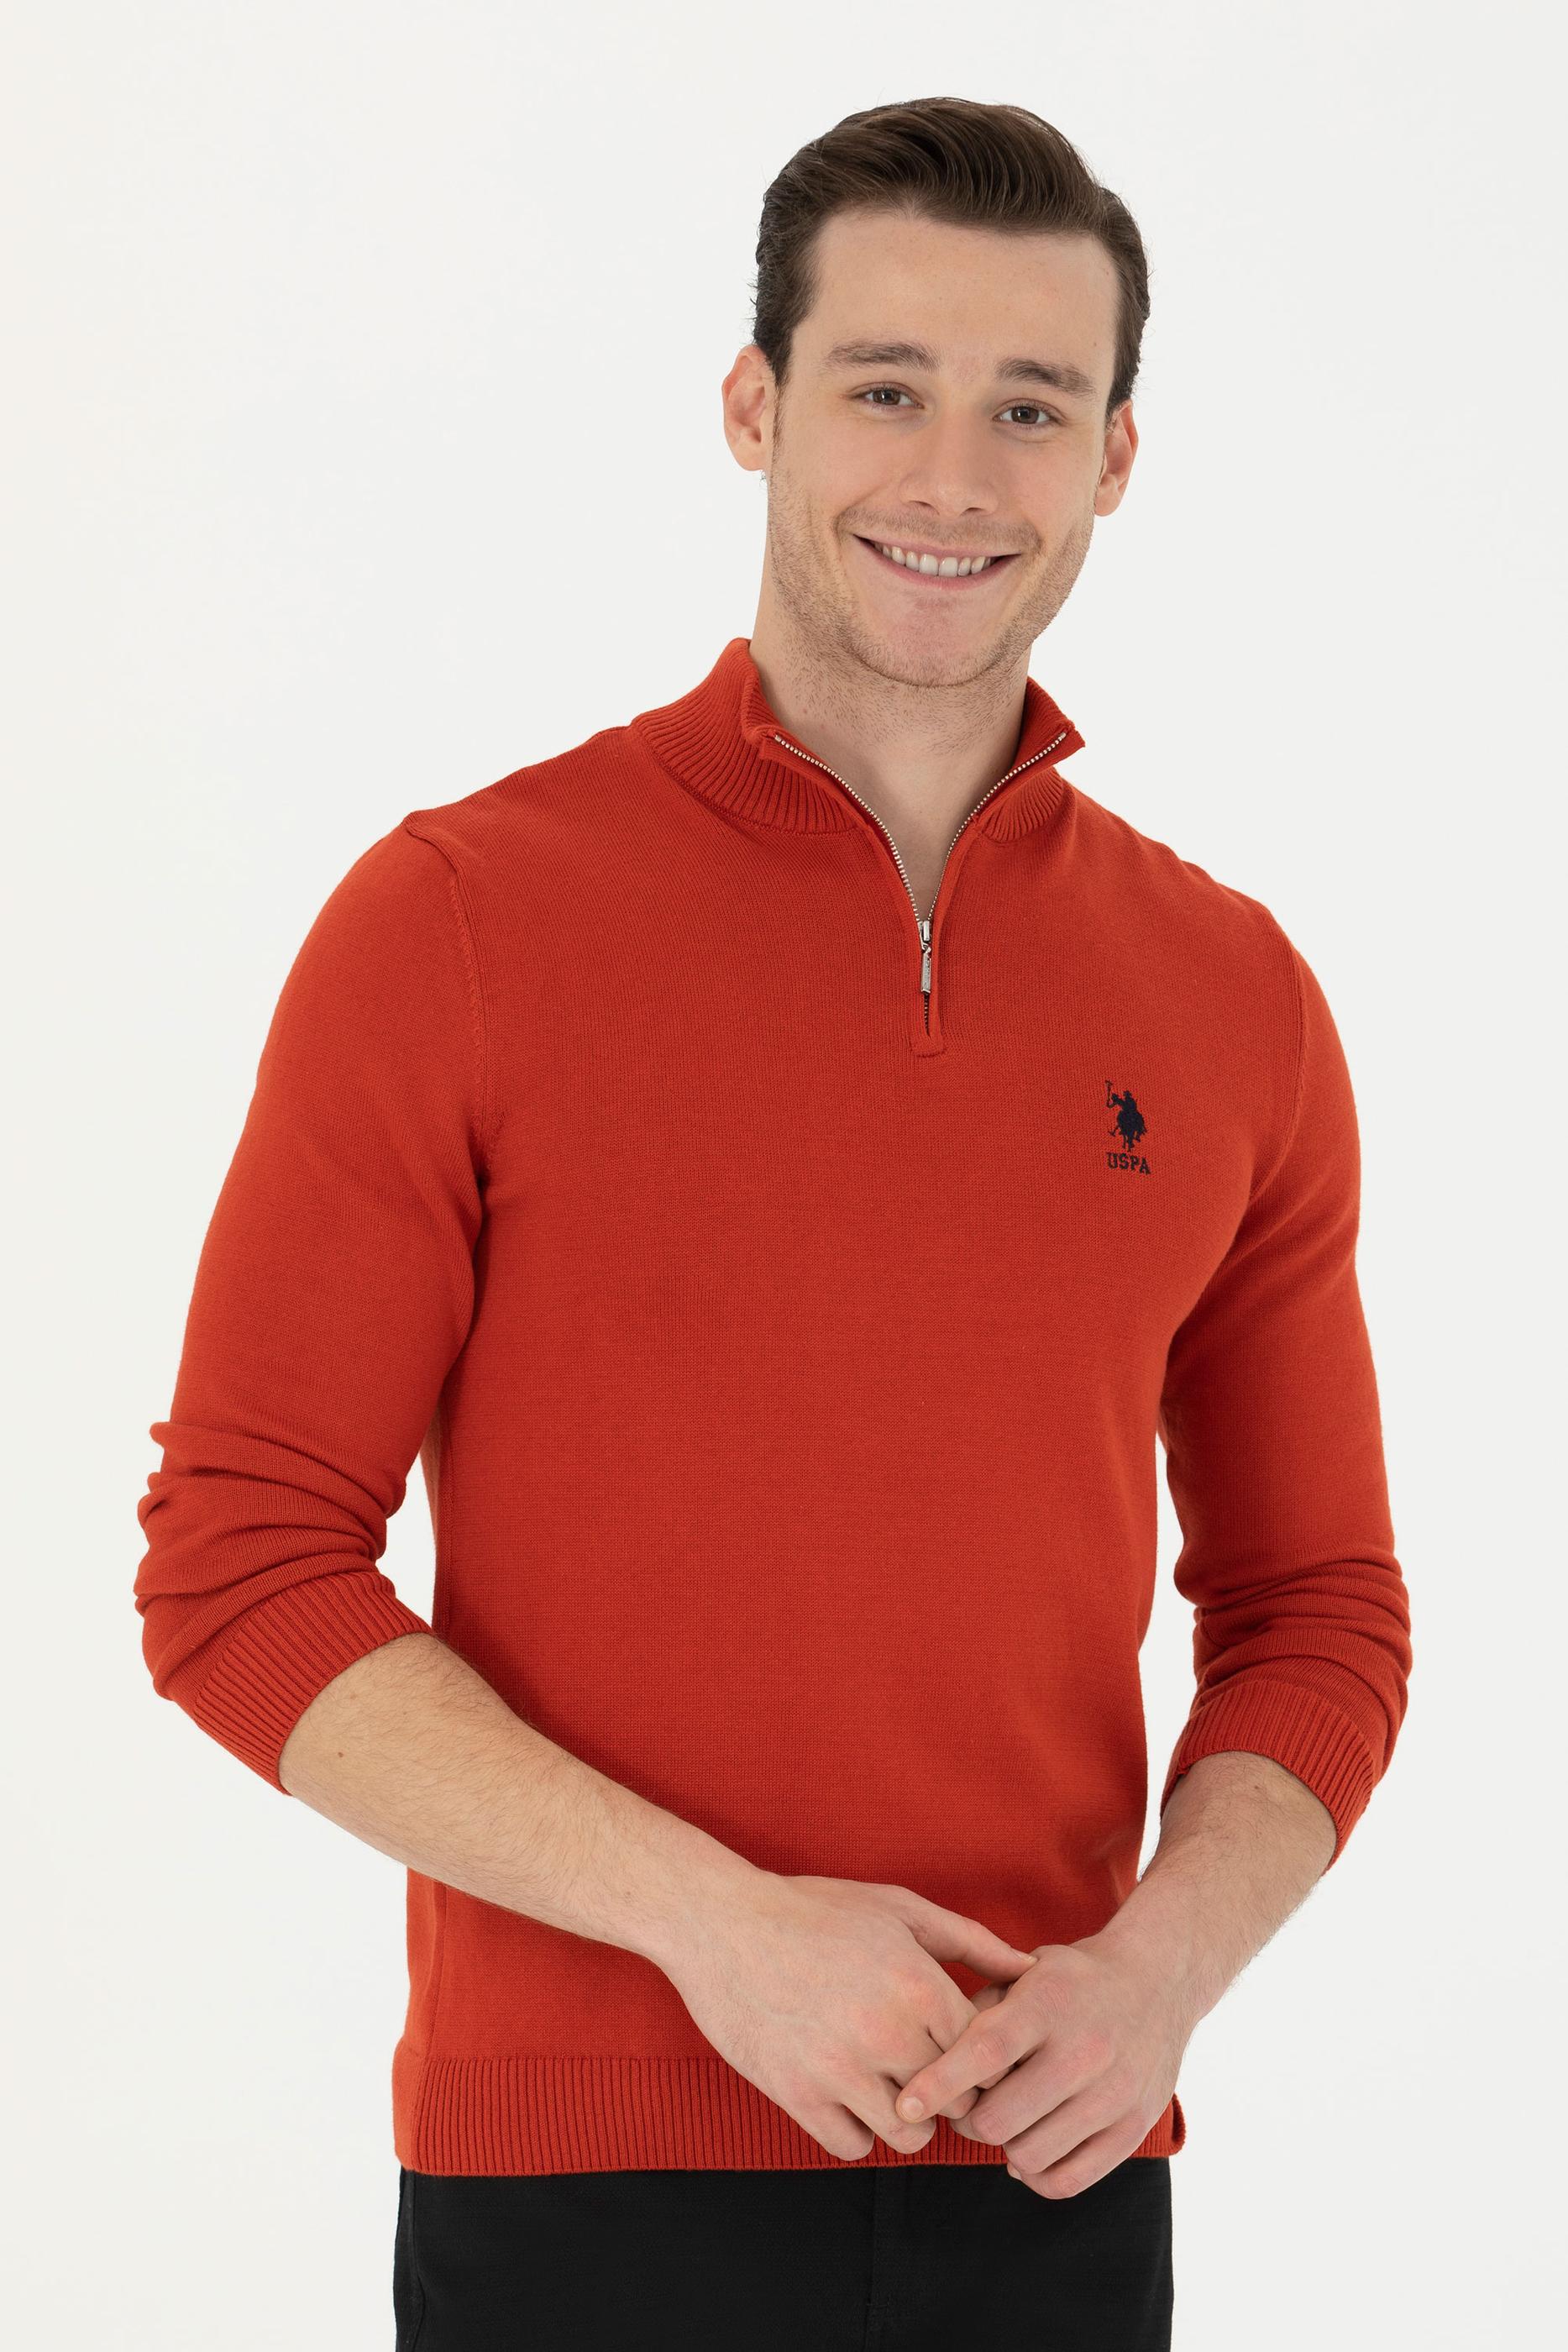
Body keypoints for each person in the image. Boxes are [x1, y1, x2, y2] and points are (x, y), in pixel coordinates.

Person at [134, 95, 1413, 2350]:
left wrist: (1158, 1973)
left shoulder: (1230, 994)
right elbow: (239, 1568)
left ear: (1115, 459)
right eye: (883, 388)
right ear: (753, 408)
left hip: (1054, 2169)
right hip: (579, 2191)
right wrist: (713, 1928)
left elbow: (1318, 1608)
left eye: (1031, 407)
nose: (954, 475)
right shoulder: (461, 921)